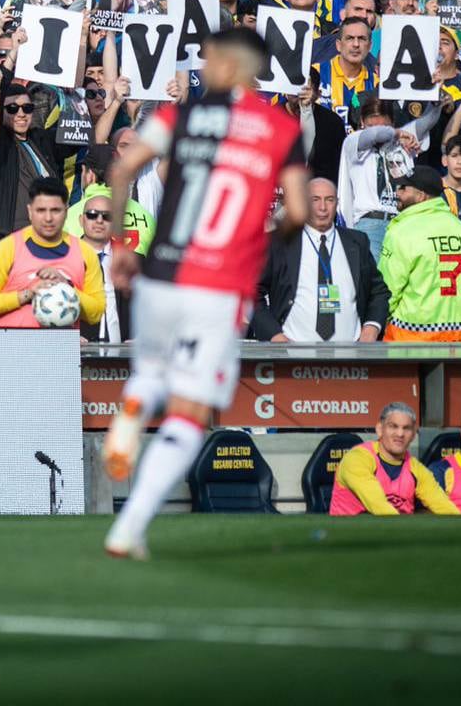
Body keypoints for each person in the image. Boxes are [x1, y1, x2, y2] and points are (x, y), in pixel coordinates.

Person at [99, 28, 311, 558]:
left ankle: (131, 408)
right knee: (190, 413)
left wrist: (124, 242)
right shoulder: (280, 128)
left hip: (164, 273)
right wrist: (263, 240)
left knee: (150, 372)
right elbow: (303, 212)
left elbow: (123, 166)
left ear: (224, 64)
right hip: (219, 288)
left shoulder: (180, 116)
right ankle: (129, 528)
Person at [249, 176, 388, 341]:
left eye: (329, 200)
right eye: (315, 199)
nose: (322, 207)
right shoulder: (280, 243)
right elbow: (251, 292)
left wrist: (371, 327)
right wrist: (274, 334)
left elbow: (378, 291)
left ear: (337, 203)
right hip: (291, 355)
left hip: (350, 356)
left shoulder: (357, 242)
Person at [0, 178, 107, 329]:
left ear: (66, 211)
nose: (48, 218)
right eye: (41, 210)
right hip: (12, 350)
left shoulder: (85, 253)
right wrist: (26, 294)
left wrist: (66, 288)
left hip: (61, 350)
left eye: (55, 210)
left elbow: (96, 313)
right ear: (29, 211)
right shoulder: (6, 249)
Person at [377, 168, 461, 341]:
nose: (397, 193)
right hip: (459, 337)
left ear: (421, 196)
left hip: (409, 337)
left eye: (403, 188)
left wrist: (377, 321)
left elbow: (388, 289)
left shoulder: (401, 231)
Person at [329, 403, 461, 516]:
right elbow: (378, 506)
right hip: (351, 541)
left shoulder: (417, 469)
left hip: (396, 541)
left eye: (406, 428)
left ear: (414, 435)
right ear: (380, 429)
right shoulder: (357, 459)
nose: (400, 434)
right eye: (393, 426)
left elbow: (445, 508)